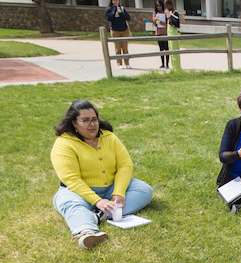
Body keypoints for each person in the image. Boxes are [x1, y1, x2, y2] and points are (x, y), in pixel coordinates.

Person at [51, 99, 153, 249]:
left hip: (110, 188)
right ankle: (87, 232)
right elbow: (71, 179)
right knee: (71, 204)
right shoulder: (64, 143)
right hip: (78, 192)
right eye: (85, 120)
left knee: (144, 190)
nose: (92, 124)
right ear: (74, 122)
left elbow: (125, 165)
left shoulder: (109, 137)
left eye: (94, 120)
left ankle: (97, 216)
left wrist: (119, 193)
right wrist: (96, 200)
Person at [105, 0, 132, 69]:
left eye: (117, 0)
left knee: (125, 48)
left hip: (124, 29)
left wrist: (121, 13)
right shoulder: (109, 9)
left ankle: (127, 63)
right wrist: (114, 11)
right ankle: (119, 63)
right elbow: (109, 18)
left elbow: (128, 17)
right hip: (115, 30)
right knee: (118, 47)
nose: (116, 1)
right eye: (114, 0)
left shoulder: (122, 8)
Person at [165, 0, 181, 71]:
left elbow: (177, 24)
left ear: (171, 5)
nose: (167, 8)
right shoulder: (170, 13)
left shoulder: (175, 13)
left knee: (175, 52)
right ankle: (174, 67)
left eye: (167, 6)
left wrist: (170, 19)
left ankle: (177, 68)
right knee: (171, 52)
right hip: (170, 35)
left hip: (174, 34)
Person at [153, 0, 169, 69]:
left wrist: (161, 22)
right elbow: (155, 25)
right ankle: (162, 63)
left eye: (160, 5)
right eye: (157, 5)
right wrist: (155, 20)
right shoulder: (155, 13)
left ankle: (167, 64)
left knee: (167, 49)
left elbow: (167, 24)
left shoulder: (165, 13)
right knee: (161, 49)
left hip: (165, 33)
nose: (158, 7)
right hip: (159, 33)